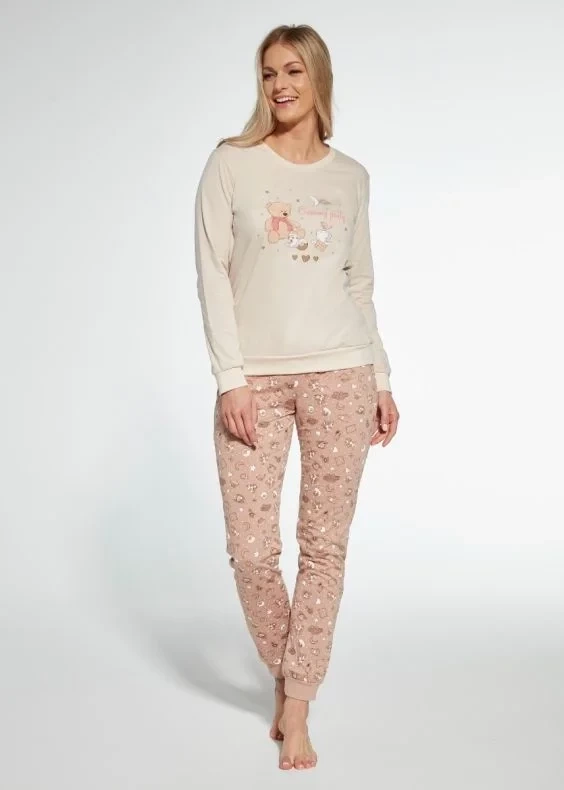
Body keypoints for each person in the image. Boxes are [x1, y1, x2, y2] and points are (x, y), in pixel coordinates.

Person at [193, 23, 400, 771]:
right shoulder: (231, 163)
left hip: (344, 372)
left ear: (317, 79)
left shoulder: (351, 177)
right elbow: (212, 274)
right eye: (269, 73)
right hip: (257, 379)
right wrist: (231, 378)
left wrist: (381, 378)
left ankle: (299, 702)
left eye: (293, 72)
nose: (280, 85)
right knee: (252, 550)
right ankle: (287, 672)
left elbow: (359, 285)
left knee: (323, 547)